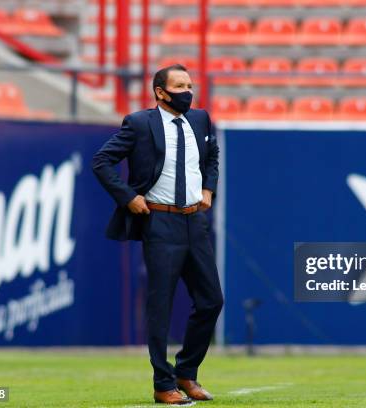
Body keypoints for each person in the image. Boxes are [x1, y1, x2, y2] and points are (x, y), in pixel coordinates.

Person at [91, 64, 223, 405]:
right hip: (160, 222)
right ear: (160, 92)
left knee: (211, 301)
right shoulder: (138, 123)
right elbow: (102, 161)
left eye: (190, 85)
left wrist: (209, 188)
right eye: (180, 86)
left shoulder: (201, 119)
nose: (188, 92)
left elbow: (212, 157)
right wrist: (129, 197)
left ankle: (186, 372)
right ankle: (163, 384)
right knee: (160, 306)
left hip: (195, 221)